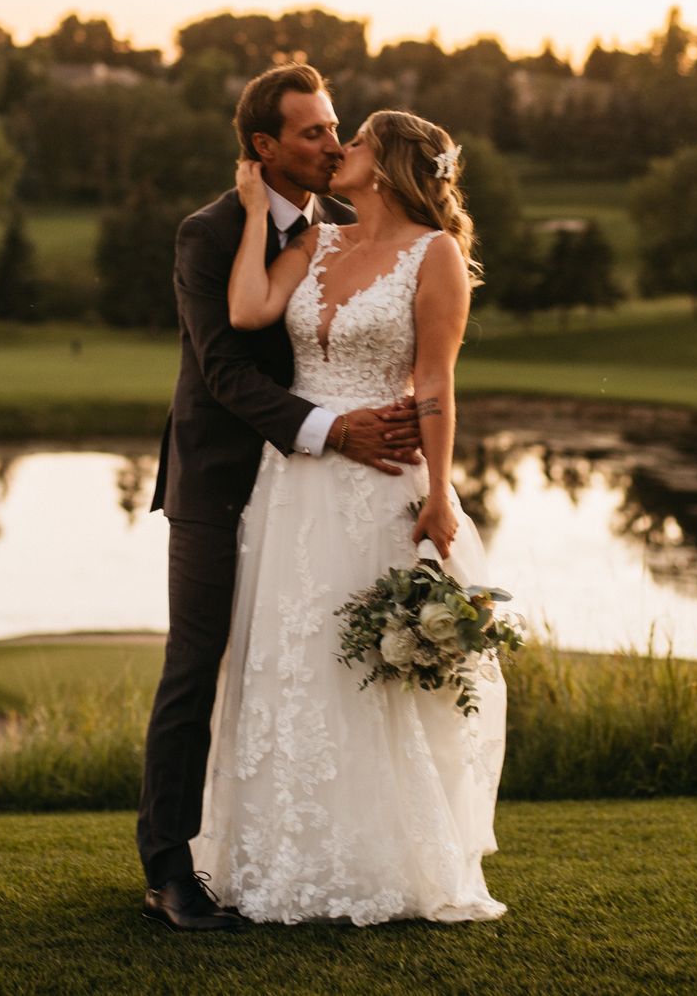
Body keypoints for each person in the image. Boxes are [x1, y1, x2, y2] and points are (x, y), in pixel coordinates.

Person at [191, 107, 507, 926]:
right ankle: (280, 861)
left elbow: (434, 384)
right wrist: (260, 213)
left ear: (391, 163)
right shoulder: (318, 241)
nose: (339, 151)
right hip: (295, 483)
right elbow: (251, 312)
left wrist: (440, 493)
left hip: (383, 484)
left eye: (355, 141)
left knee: (364, 665)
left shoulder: (434, 255)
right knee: (288, 659)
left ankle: (381, 866)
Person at [138, 65, 422, 932]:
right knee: (197, 665)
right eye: (312, 133)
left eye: (336, 128)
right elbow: (222, 371)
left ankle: (297, 854)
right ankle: (167, 869)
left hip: (312, 500)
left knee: (298, 672)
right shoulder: (209, 232)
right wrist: (333, 430)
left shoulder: (342, 230)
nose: (334, 145)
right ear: (262, 146)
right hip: (220, 484)